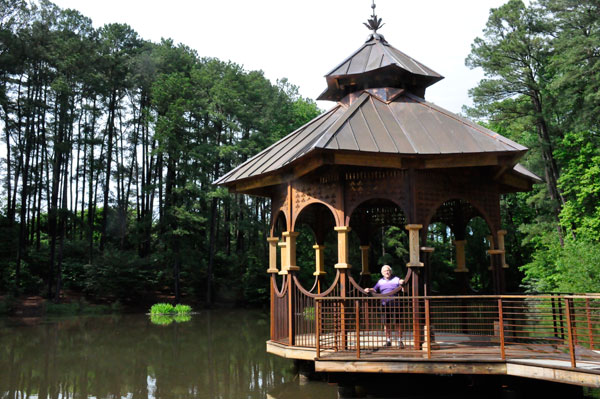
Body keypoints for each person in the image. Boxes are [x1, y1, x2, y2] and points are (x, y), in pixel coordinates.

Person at [365, 265, 404, 348]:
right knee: (386, 323)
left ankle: (400, 341)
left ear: (391, 271)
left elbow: (402, 282)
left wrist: (402, 282)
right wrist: (368, 289)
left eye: (388, 270)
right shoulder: (380, 281)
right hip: (384, 305)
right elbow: (375, 289)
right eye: (385, 271)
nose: (387, 272)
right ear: (382, 273)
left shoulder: (396, 279)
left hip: (396, 304)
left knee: (398, 323)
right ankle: (388, 341)